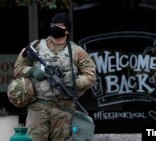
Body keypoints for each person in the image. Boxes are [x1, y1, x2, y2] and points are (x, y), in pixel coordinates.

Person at [14, 12, 96, 140]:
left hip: (64, 109)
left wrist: (74, 83)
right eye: (53, 24)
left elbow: (90, 75)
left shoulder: (77, 52)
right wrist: (32, 71)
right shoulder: (36, 47)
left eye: (60, 25)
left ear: (67, 30)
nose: (55, 27)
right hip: (38, 106)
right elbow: (18, 69)